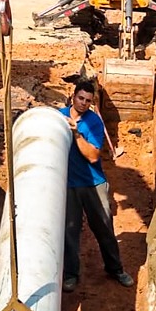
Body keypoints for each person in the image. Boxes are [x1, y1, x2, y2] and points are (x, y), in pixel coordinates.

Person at [58, 79, 135, 292]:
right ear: (73, 97)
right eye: (80, 98)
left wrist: (75, 133)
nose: (83, 103)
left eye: (88, 101)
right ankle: (71, 275)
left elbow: (92, 156)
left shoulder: (94, 122)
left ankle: (115, 269)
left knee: (104, 228)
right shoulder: (59, 116)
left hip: (93, 184)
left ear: (92, 103)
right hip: (68, 185)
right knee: (69, 231)